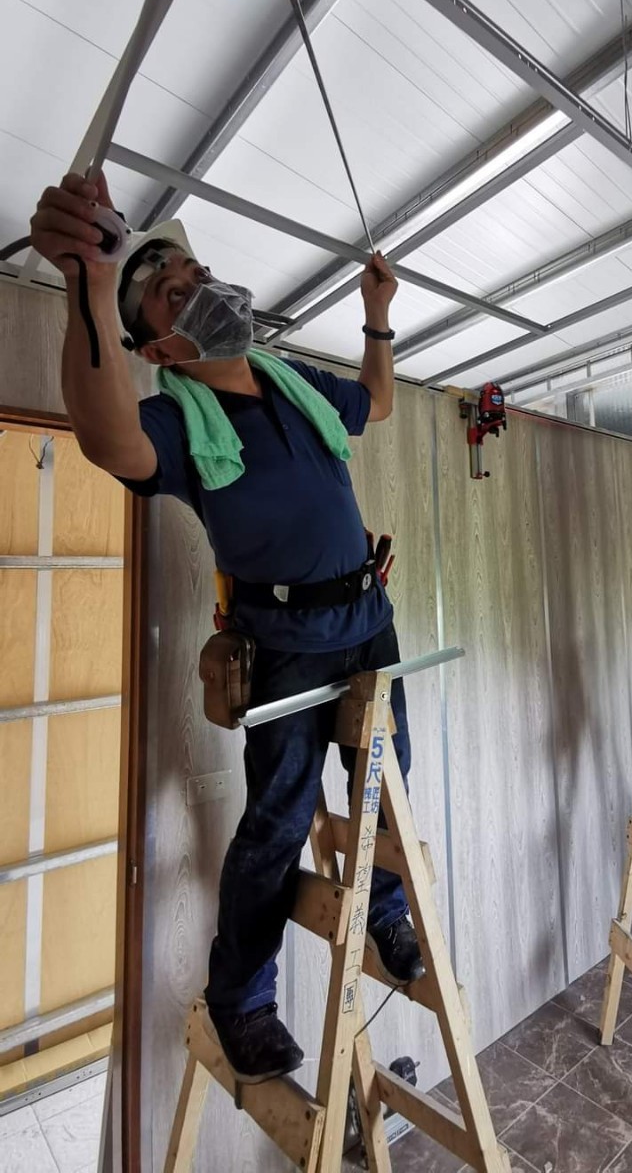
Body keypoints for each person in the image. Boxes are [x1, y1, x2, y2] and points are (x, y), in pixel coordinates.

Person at [30, 171, 424, 1083]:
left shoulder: (292, 380)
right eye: (169, 293)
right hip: (283, 647)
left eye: (193, 273)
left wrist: (376, 313)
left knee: (385, 786)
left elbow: (378, 399)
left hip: (369, 622)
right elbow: (107, 440)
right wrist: (91, 282)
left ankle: (384, 912)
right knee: (277, 823)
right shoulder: (175, 418)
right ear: (158, 348)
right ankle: (241, 1000)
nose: (194, 287)